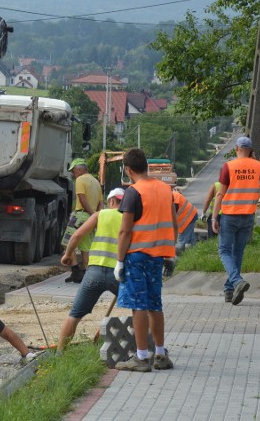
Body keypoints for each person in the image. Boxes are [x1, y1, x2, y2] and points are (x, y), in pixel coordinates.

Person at [113, 148, 177, 372]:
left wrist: (120, 261)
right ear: (147, 166)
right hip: (158, 255)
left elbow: (125, 232)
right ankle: (160, 354)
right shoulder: (165, 189)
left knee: (138, 306)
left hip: (137, 255)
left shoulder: (133, 192)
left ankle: (141, 357)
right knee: (154, 304)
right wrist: (171, 252)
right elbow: (173, 223)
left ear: (128, 170)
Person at [57, 187, 124, 351]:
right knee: (140, 309)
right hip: (118, 275)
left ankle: (59, 355)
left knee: (74, 315)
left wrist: (67, 254)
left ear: (111, 201)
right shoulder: (129, 219)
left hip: (93, 273)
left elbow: (77, 235)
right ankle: (144, 349)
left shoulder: (99, 215)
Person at [212, 136, 260, 305]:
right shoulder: (259, 166)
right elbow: (259, 184)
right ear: (251, 150)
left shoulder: (229, 166)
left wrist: (214, 216)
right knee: (238, 252)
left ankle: (236, 281)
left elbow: (220, 193)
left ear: (236, 149)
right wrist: (254, 161)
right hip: (248, 215)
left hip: (230, 214)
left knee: (224, 251)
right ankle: (229, 291)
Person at [62, 158, 104, 283]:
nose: (73, 175)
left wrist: (92, 214)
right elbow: (101, 203)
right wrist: (97, 216)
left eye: (73, 171)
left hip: (80, 216)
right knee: (86, 247)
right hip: (92, 218)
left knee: (67, 242)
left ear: (80, 169)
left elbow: (82, 198)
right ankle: (86, 275)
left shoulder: (80, 180)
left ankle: (76, 271)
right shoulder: (96, 182)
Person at [172, 189, 198, 254]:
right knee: (190, 239)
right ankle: (193, 254)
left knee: (180, 241)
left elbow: (173, 212)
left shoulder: (174, 196)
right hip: (191, 215)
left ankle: (177, 260)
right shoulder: (173, 195)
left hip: (188, 218)